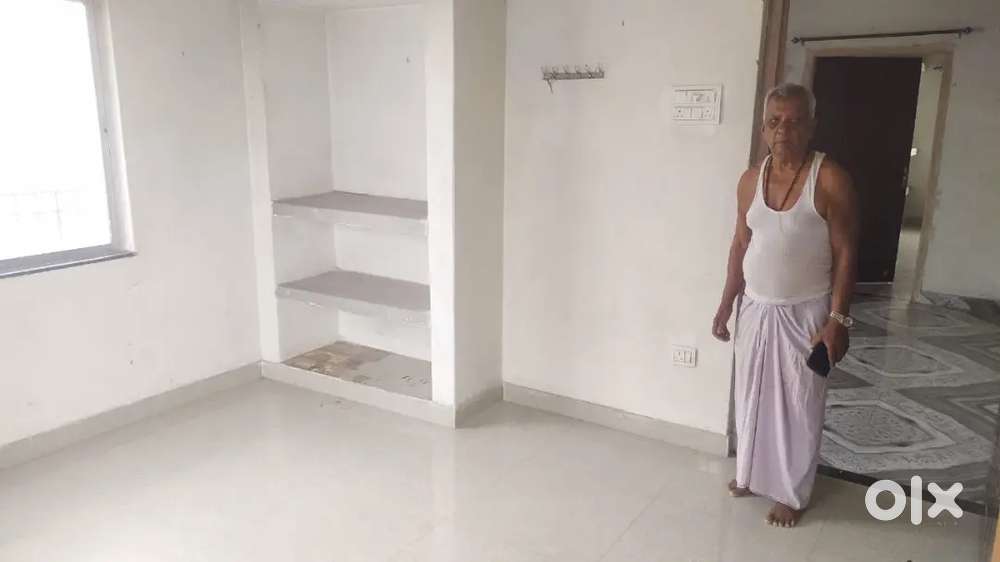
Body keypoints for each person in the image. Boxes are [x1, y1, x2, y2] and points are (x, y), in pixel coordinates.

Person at [711, 83, 859, 528]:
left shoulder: (829, 178)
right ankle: (749, 474)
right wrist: (725, 304)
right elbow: (740, 244)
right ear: (763, 129)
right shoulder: (749, 180)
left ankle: (792, 494)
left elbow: (847, 252)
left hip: (806, 312)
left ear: (811, 127)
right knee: (751, 396)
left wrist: (837, 319)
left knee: (799, 404)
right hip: (755, 308)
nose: (783, 131)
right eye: (774, 122)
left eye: (794, 122)